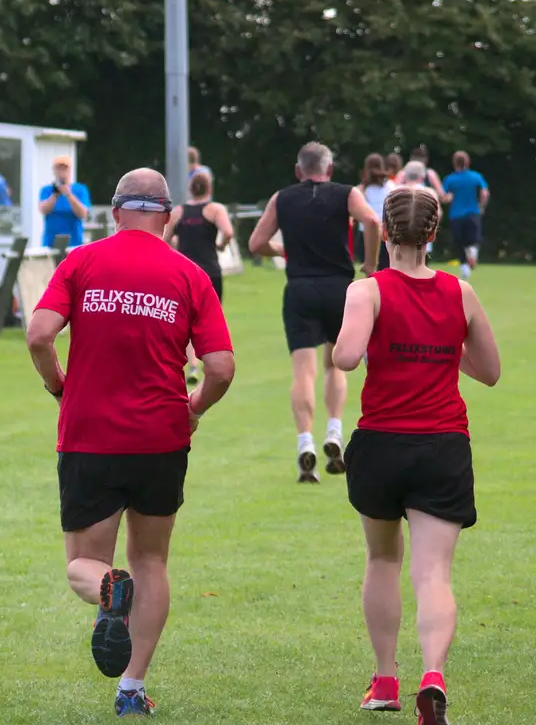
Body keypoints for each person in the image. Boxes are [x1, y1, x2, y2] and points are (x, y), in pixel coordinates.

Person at [26, 168, 235, 717]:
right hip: (161, 440)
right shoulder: (190, 275)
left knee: (83, 565)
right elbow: (220, 367)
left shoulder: (81, 262)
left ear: (115, 212)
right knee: (152, 560)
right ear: (167, 217)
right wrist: (194, 410)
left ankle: (107, 586)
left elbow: (39, 335)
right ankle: (132, 689)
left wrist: (57, 385)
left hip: (90, 433)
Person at [331, 185, 500, 725]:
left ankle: (385, 681)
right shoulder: (460, 292)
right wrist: (444, 351)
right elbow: (490, 369)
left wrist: (359, 325)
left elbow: (346, 358)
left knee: (383, 562)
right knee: (434, 573)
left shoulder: (368, 290)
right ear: (433, 233)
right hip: (443, 445)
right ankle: (433, 674)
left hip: (381, 443)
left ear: (384, 229)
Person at [248, 143, 383, 483]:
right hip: (340, 288)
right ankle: (334, 431)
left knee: (302, 372)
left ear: (298, 171)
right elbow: (371, 220)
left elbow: (255, 244)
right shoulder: (346, 193)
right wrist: (369, 264)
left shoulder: (282, 198)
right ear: (330, 169)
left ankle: (304, 440)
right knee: (336, 364)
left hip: (300, 288)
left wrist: (280, 248)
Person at [166, 170, 234, 384]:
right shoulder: (214, 209)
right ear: (210, 188)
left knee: (186, 321)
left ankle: (193, 365)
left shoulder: (178, 211)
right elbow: (229, 231)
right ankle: (211, 362)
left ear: (189, 189)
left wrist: (175, 250)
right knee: (210, 318)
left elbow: (164, 238)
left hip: (184, 274)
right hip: (210, 271)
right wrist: (220, 245)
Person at [442, 151, 490, 279]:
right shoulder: (476, 177)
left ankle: (464, 268)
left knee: (459, 243)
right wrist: (481, 206)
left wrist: (448, 197)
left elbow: (445, 198)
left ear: (454, 163)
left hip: (456, 215)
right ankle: (473, 254)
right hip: (473, 213)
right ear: (468, 162)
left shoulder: (450, 179)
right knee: (473, 240)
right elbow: (485, 193)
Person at [38, 157, 91, 249]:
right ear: (54, 171)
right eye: (59, 169)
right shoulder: (47, 190)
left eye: (64, 169)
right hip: (50, 243)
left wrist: (68, 195)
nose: (62, 172)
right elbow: (43, 210)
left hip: (74, 243)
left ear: (69, 171)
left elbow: (83, 214)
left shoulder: (80, 190)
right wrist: (55, 195)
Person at [355, 154, 390, 264]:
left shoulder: (360, 190)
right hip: (386, 233)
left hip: (366, 234)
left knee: (370, 274)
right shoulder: (392, 187)